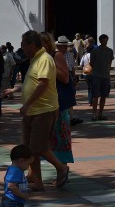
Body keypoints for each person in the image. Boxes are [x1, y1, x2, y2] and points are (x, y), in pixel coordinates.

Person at [2, 30, 69, 190]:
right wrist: (14, 90)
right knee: (29, 149)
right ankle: (36, 180)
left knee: (38, 148)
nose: (22, 49)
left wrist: (26, 105)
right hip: (33, 111)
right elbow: (30, 83)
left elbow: (43, 84)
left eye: (23, 45)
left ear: (32, 45)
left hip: (43, 110)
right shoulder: (35, 58)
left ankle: (61, 168)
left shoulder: (44, 59)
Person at [43, 34, 76, 166]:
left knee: (60, 134)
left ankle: (63, 169)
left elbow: (65, 77)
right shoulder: (42, 56)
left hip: (59, 101)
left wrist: (49, 66)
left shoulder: (56, 56)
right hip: (47, 101)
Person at [90, 34, 114, 121]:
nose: (105, 41)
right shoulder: (95, 51)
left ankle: (100, 114)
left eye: (106, 40)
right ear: (100, 41)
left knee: (104, 96)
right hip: (96, 75)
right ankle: (94, 114)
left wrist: (107, 71)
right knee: (95, 96)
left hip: (106, 76)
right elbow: (91, 63)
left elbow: (110, 62)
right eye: (103, 40)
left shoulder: (110, 51)